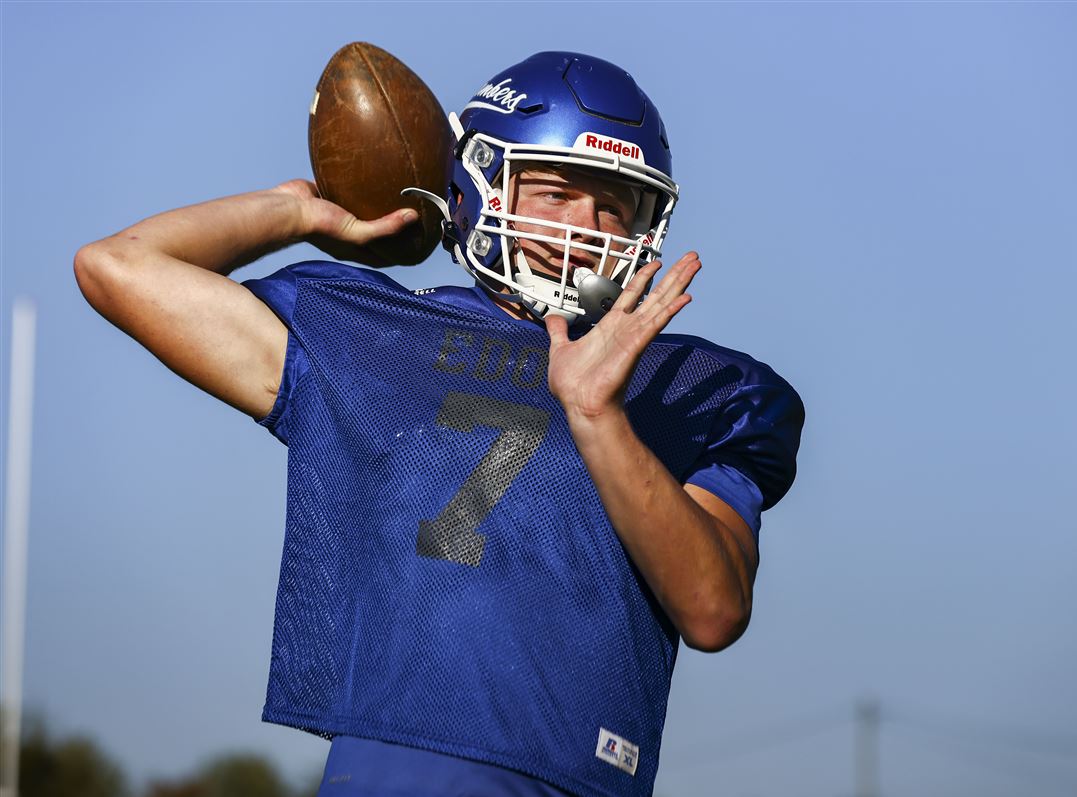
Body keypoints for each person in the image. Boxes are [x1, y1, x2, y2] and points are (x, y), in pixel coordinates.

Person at [75, 51, 804, 797]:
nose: (588, 227)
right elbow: (118, 265)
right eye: (557, 192)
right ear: (480, 187)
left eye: (615, 206)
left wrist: (599, 415)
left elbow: (713, 609)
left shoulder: (693, 384)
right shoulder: (375, 330)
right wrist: (297, 210)